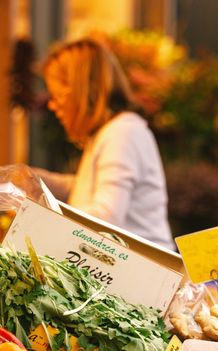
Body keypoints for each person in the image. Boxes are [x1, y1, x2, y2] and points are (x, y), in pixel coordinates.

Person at [34, 38, 175, 250]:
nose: (53, 106)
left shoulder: (121, 133)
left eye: (57, 95)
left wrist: (39, 217)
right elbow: (93, 187)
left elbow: (106, 216)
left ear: (81, 91)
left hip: (142, 274)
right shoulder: (112, 131)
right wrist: (36, 181)